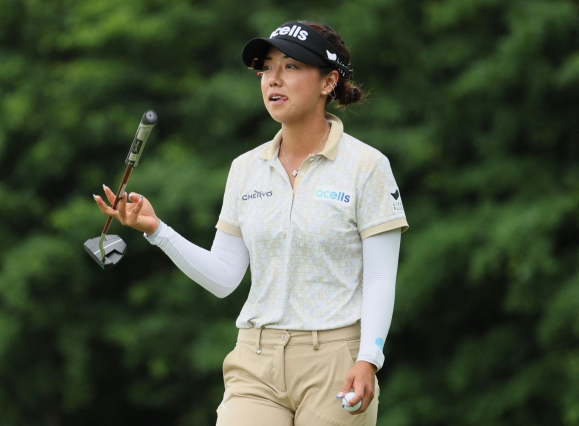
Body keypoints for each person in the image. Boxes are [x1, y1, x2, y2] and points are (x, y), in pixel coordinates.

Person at [94, 20, 408, 426]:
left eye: (291, 67)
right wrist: (157, 230)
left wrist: (370, 358)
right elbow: (225, 277)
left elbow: (381, 278)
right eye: (267, 67)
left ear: (329, 81)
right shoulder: (245, 169)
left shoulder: (367, 166)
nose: (273, 79)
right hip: (255, 361)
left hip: (336, 360)